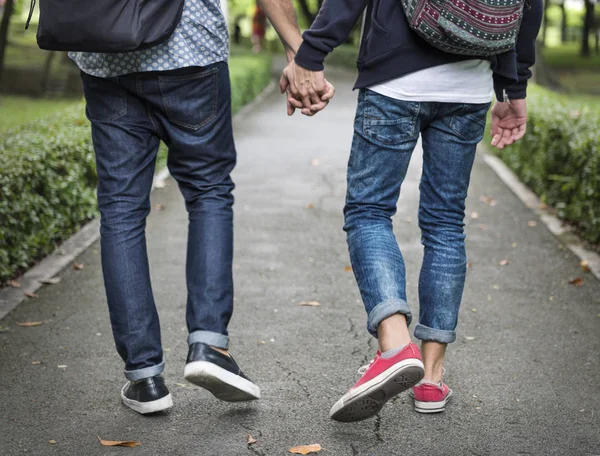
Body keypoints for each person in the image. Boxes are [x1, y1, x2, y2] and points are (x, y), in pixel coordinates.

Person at [281, 0, 543, 421]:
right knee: (445, 223)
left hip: (394, 81)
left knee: (369, 212)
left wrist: (311, 55)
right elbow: (528, 7)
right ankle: (431, 378)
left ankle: (395, 345)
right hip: (470, 85)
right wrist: (514, 87)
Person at [69, 0, 332, 415]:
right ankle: (209, 345)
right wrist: (299, 49)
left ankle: (145, 378)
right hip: (189, 50)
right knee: (208, 192)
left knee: (120, 209)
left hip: (105, 53)